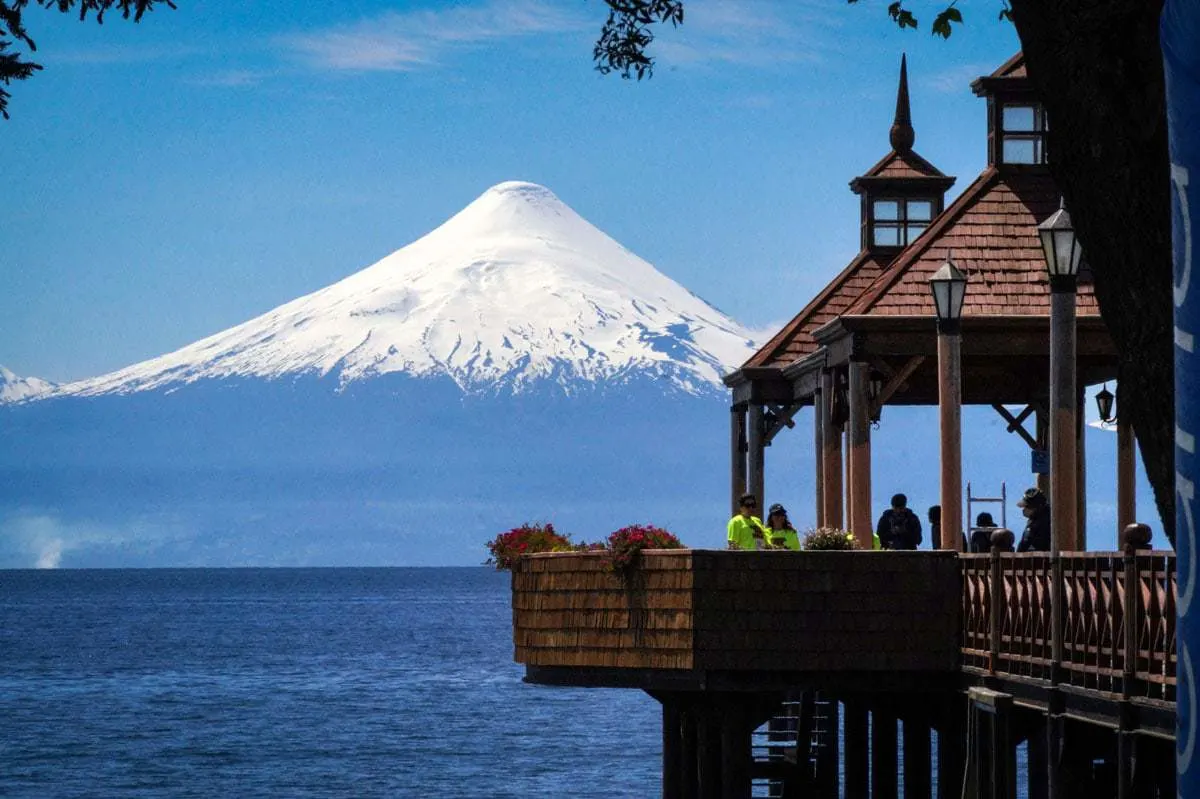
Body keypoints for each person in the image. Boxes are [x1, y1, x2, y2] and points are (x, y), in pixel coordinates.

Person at [1016, 487, 1051, 552]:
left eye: (1027, 507)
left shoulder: (1042, 523)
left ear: (1036, 508)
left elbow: (1027, 543)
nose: (1024, 509)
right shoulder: (1034, 519)